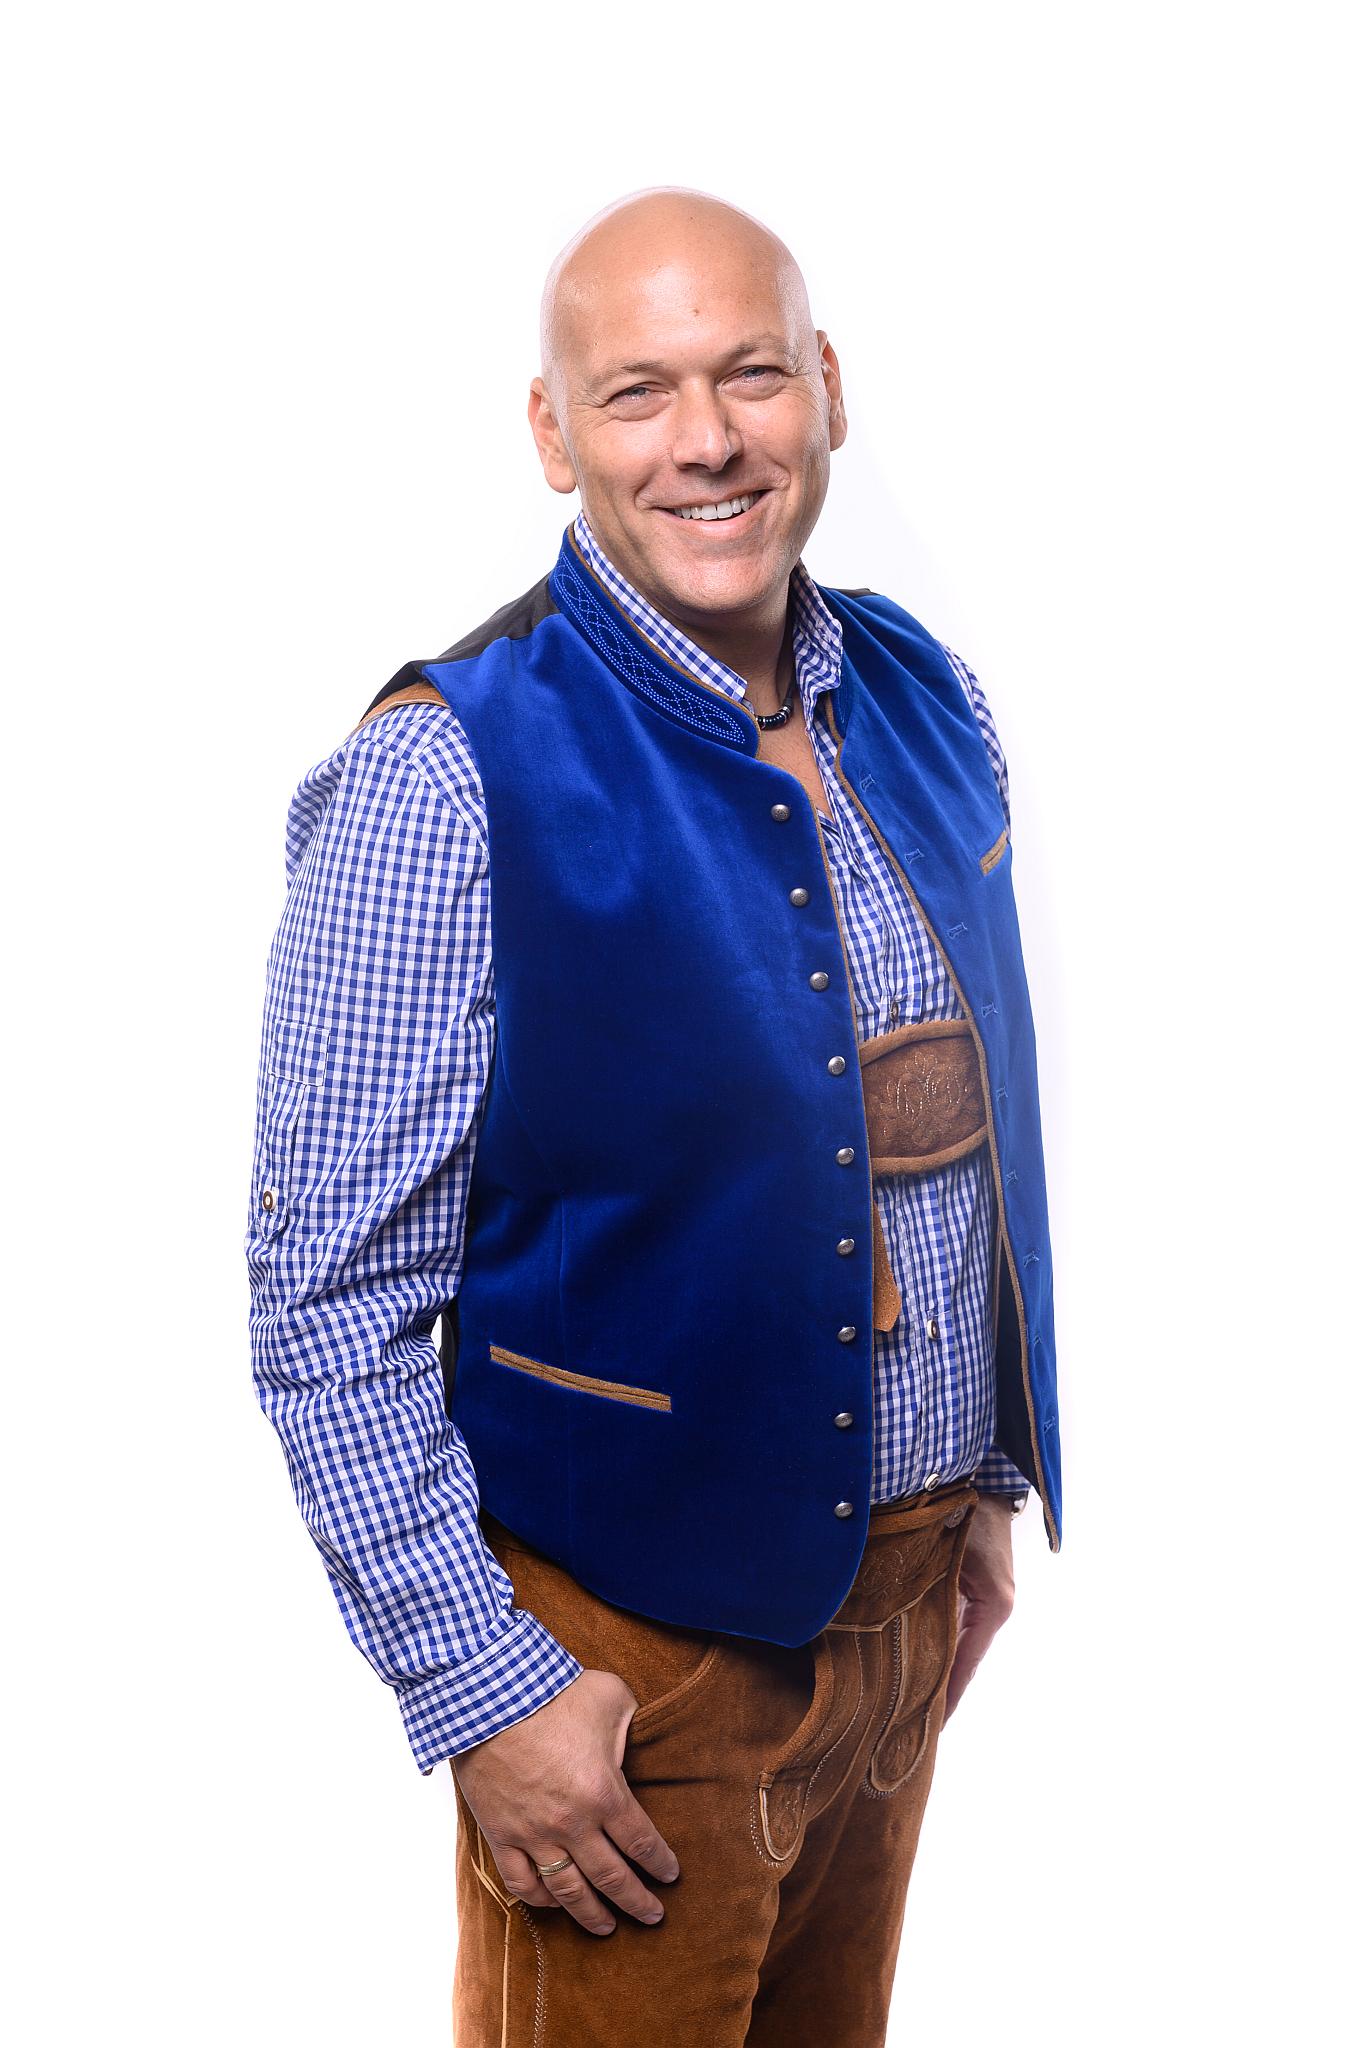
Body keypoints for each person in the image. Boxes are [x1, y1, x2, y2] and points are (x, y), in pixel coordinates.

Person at [245, 185, 1062, 2046]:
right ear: (554, 433)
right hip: (621, 1686)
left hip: (904, 1630)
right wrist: (481, 1690)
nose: (707, 441)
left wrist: (984, 1486)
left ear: (828, 388)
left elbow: (960, 1121)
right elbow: (325, 1300)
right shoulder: (441, 772)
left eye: (750, 375)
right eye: (637, 392)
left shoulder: (929, 697)